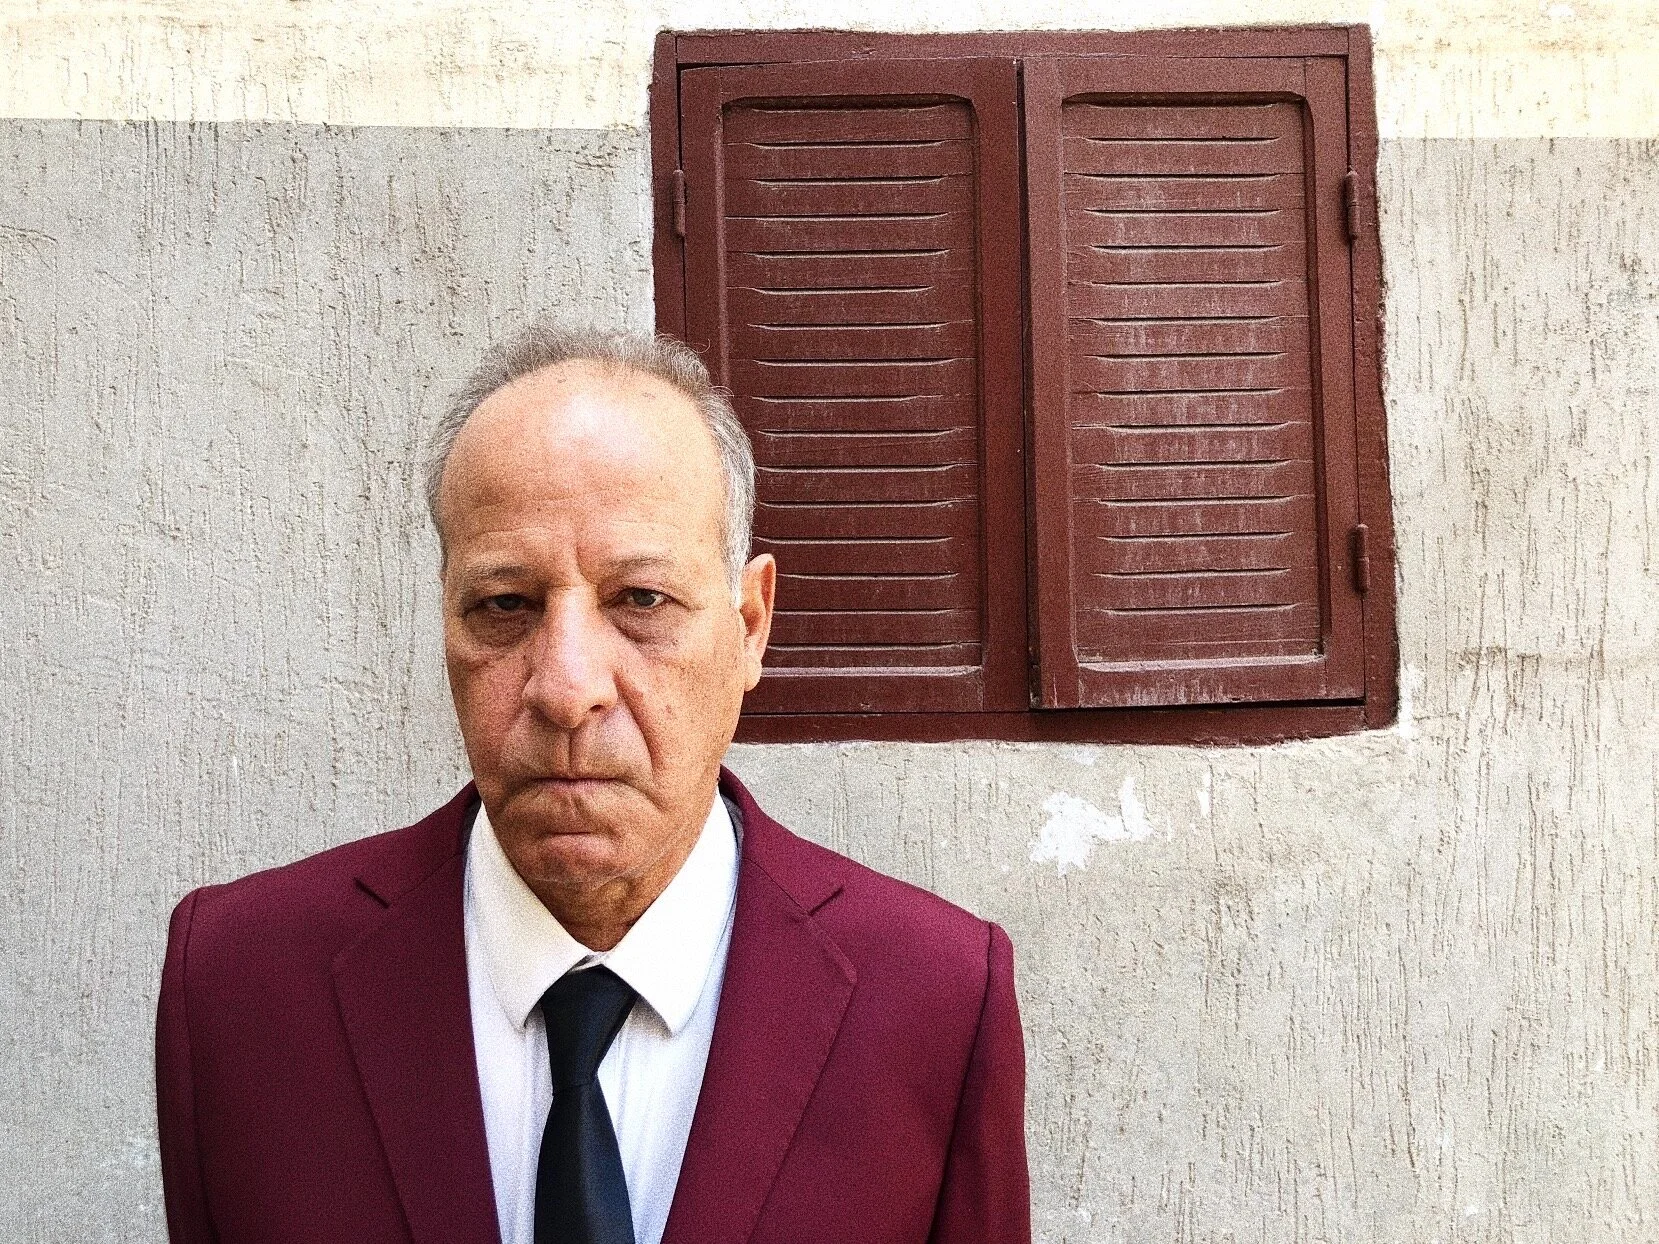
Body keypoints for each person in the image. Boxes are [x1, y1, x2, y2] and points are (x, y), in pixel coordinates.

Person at [154, 325, 1029, 1244]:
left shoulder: (931, 995)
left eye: (640, 600)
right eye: (505, 606)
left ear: (751, 626)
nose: (566, 688)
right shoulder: (239, 984)